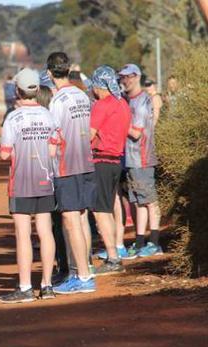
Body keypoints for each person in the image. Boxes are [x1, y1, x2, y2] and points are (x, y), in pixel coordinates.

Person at [0, 68, 56, 304]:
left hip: (21, 182)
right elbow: (54, 148)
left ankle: (24, 287)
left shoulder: (13, 117)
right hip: (45, 180)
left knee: (23, 234)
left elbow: (4, 154)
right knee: (45, 231)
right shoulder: (48, 115)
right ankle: (47, 285)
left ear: (17, 90)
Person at [45, 52, 96, 294]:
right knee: (82, 217)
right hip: (86, 161)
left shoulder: (58, 100)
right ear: (67, 69)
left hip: (66, 166)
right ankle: (84, 270)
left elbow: (54, 136)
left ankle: (83, 276)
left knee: (71, 219)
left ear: (49, 73)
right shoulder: (82, 95)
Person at [88, 65, 132, 275]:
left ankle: (113, 258)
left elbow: (89, 134)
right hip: (116, 161)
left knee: (101, 211)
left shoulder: (101, 105)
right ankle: (114, 253)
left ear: (98, 86)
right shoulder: (122, 103)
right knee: (109, 208)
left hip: (102, 161)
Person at [119, 64, 163, 258]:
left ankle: (154, 242)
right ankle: (139, 242)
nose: (125, 81)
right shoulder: (130, 101)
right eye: (123, 77)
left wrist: (119, 121)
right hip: (131, 159)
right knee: (138, 202)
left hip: (142, 158)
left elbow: (136, 133)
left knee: (150, 201)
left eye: (129, 77)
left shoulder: (143, 101)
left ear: (137, 77)